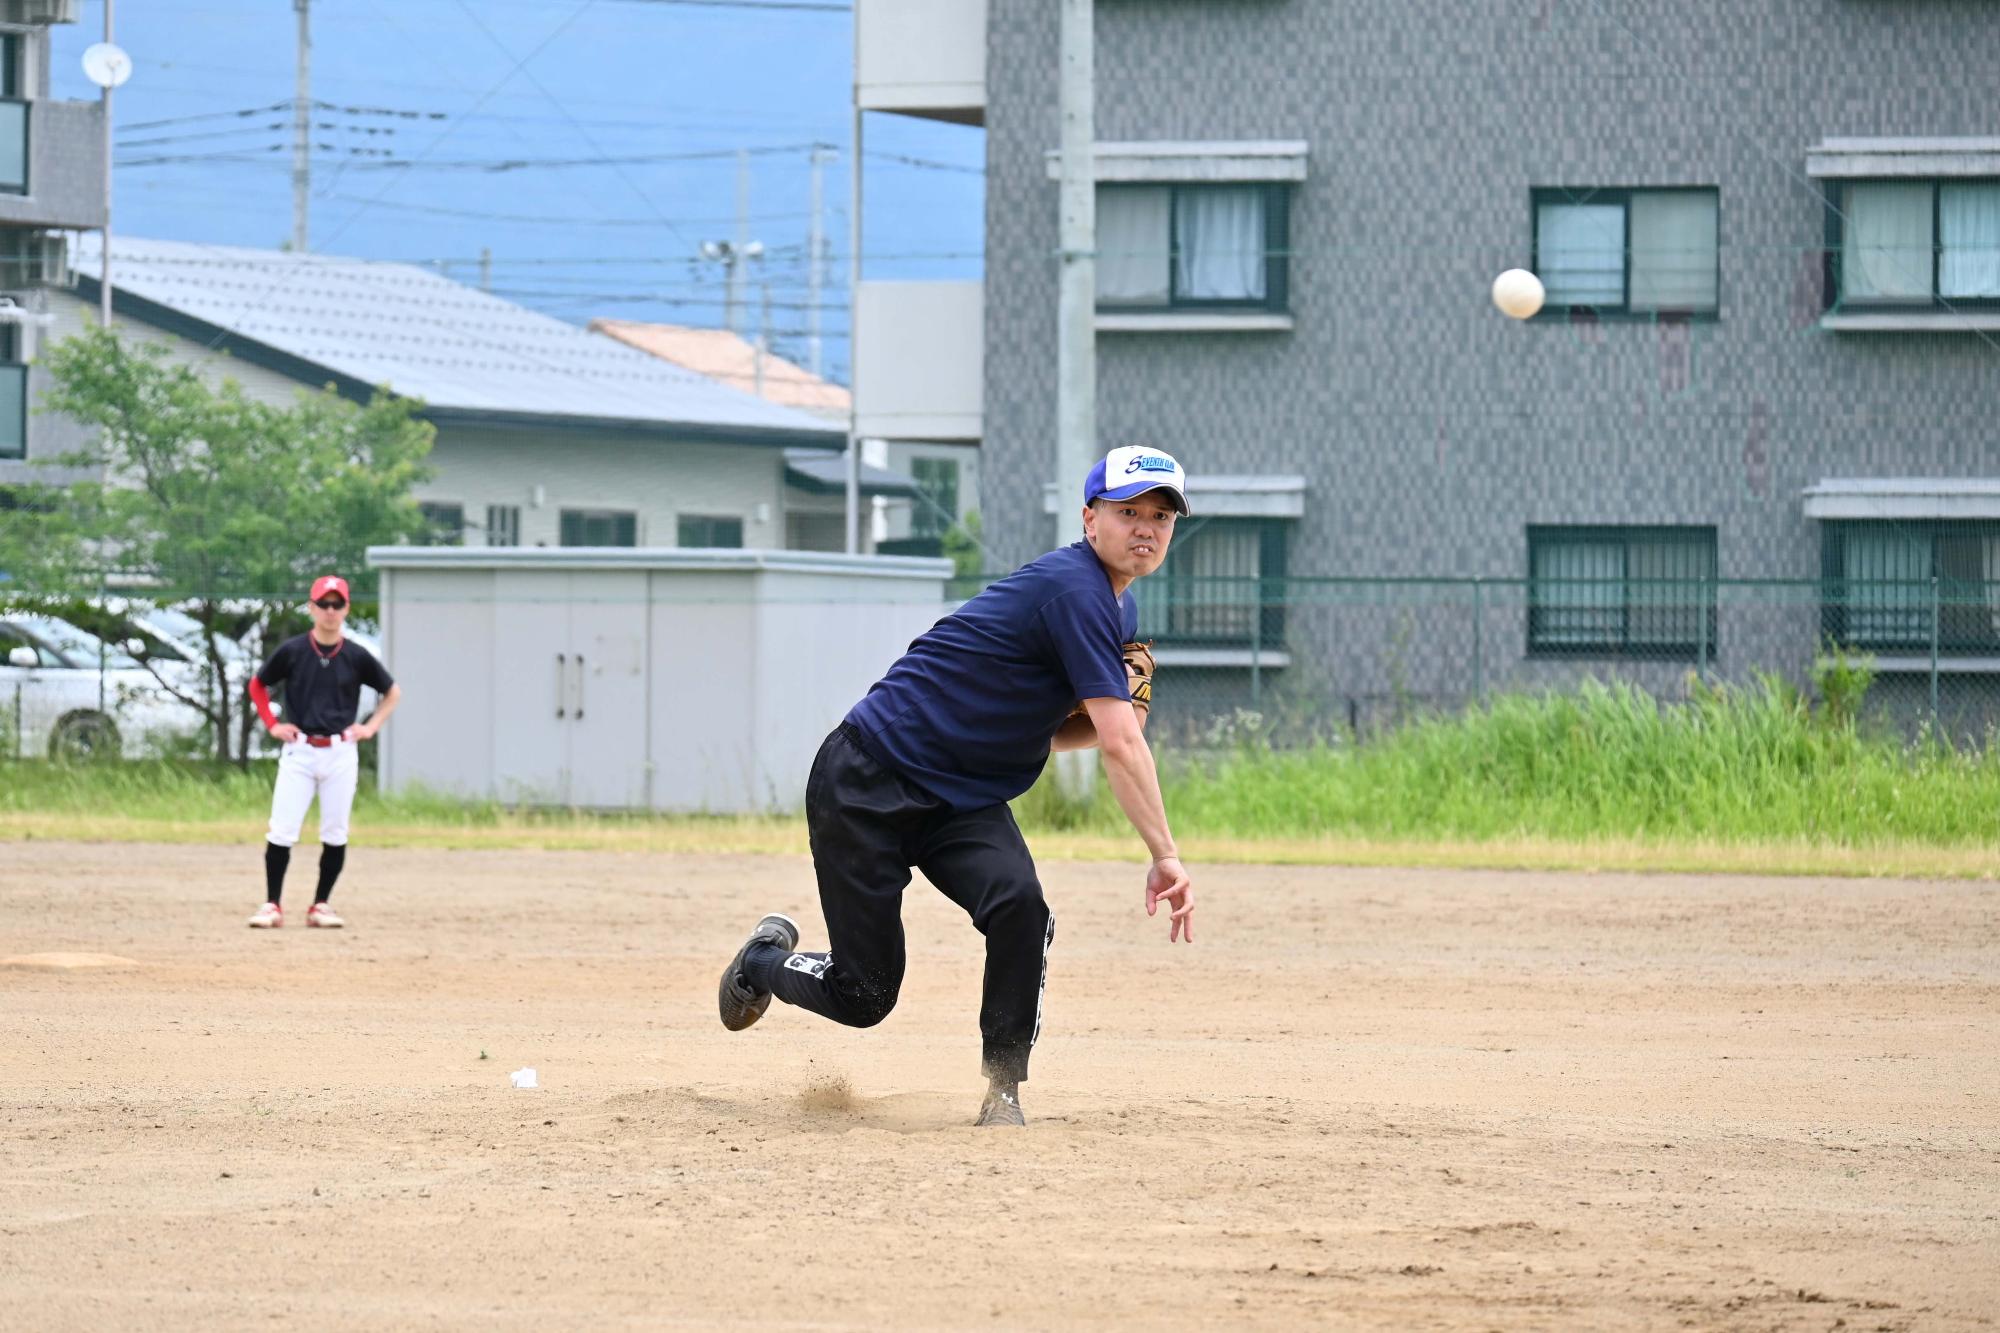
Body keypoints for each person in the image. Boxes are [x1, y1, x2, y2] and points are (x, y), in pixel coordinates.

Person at [718, 446, 1196, 1127]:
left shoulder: (1115, 608)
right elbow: (1122, 742)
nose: (1146, 527)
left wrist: (1105, 719)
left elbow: (1057, 732)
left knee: (1021, 907)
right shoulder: (1077, 591)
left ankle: (1003, 1088)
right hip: (868, 778)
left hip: (960, 798)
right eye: (1128, 512)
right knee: (865, 994)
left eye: (1161, 515)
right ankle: (764, 960)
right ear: (1091, 519)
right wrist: (1165, 853)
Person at [245, 575, 402, 929]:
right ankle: (272, 904)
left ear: (346, 608)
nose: (330, 611)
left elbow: (391, 692)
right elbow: (258, 684)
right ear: (312, 607)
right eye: (323, 604)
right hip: (300, 751)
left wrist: (371, 726)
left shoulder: (357, 655)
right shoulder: (294, 651)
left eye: (337, 604)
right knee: (282, 829)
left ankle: (321, 904)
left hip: (340, 752)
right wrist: (272, 723)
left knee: (335, 831)